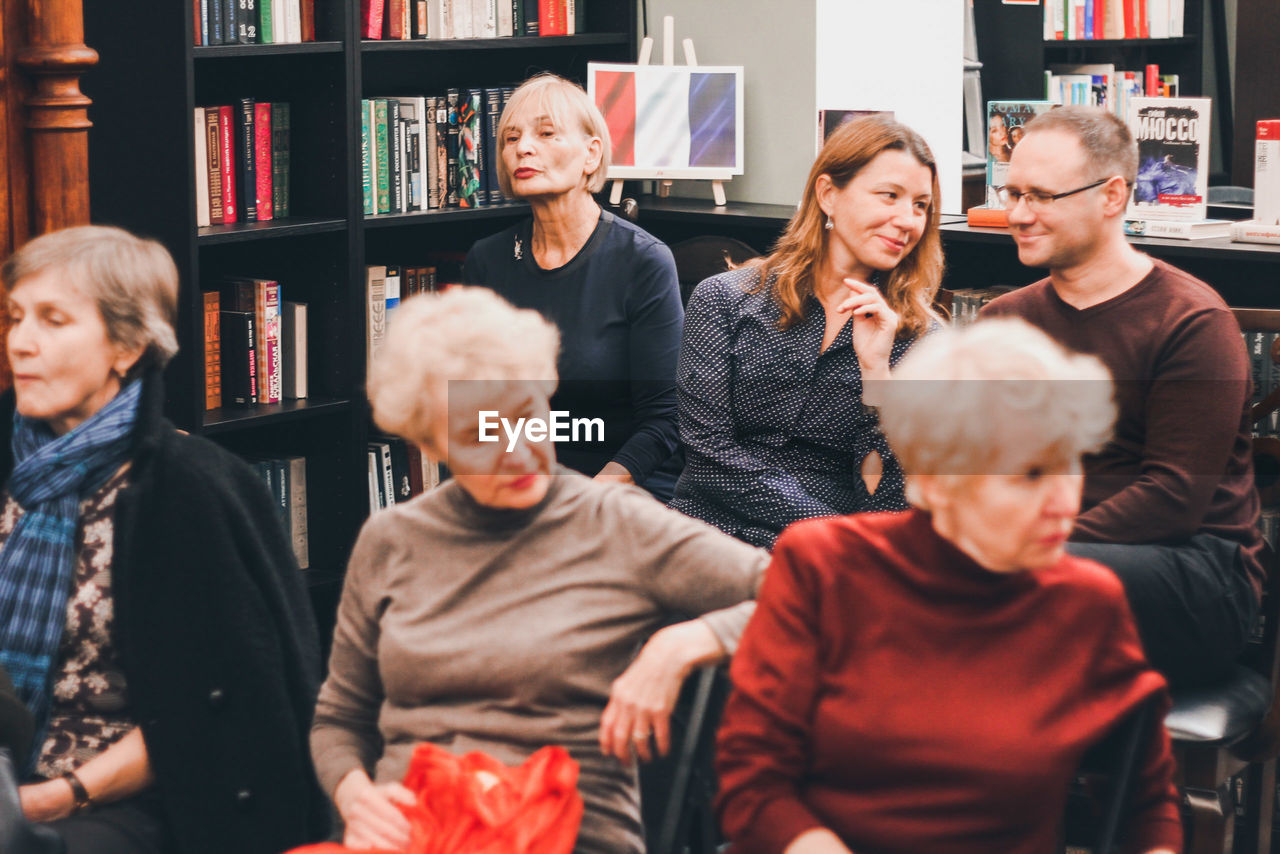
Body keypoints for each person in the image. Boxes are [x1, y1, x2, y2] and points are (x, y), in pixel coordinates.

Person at [311, 287, 768, 854]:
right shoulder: (391, 540)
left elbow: (800, 594)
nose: (518, 451)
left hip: (565, 833)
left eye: (527, 416)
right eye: (481, 436)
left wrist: (687, 641)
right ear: (428, 443)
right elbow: (339, 719)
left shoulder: (615, 522)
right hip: (412, 829)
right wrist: (357, 798)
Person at [715, 319, 1181, 854]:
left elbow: (1146, 804)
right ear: (936, 481)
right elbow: (753, 778)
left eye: (1070, 463)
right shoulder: (826, 566)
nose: (1063, 500)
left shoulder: (1086, 601)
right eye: (1029, 475)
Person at [0, 226, 328, 854]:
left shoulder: (190, 490)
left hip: (132, 798)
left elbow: (215, 709)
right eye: (15, 317)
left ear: (127, 345)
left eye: (53, 320)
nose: (21, 342)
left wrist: (54, 795)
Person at [981, 105, 1263, 688]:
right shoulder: (1002, 321)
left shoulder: (1192, 321)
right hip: (1044, 562)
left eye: (1041, 196)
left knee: (1009, 589)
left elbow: (1171, 499)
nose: (1018, 214)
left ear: (1112, 196)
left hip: (1192, 575)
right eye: (1011, 193)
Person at [669, 114, 943, 548]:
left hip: (829, 560)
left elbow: (889, 508)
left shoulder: (923, 341)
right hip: (705, 532)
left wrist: (877, 376)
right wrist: (831, 528)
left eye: (921, 205)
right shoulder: (723, 299)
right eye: (889, 196)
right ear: (828, 194)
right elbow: (707, 457)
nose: (907, 220)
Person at [462, 73, 684, 501]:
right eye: (511, 138)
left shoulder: (643, 260)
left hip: (622, 490)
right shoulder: (486, 261)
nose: (523, 147)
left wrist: (583, 500)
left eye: (546, 133)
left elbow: (664, 420)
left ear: (590, 154)